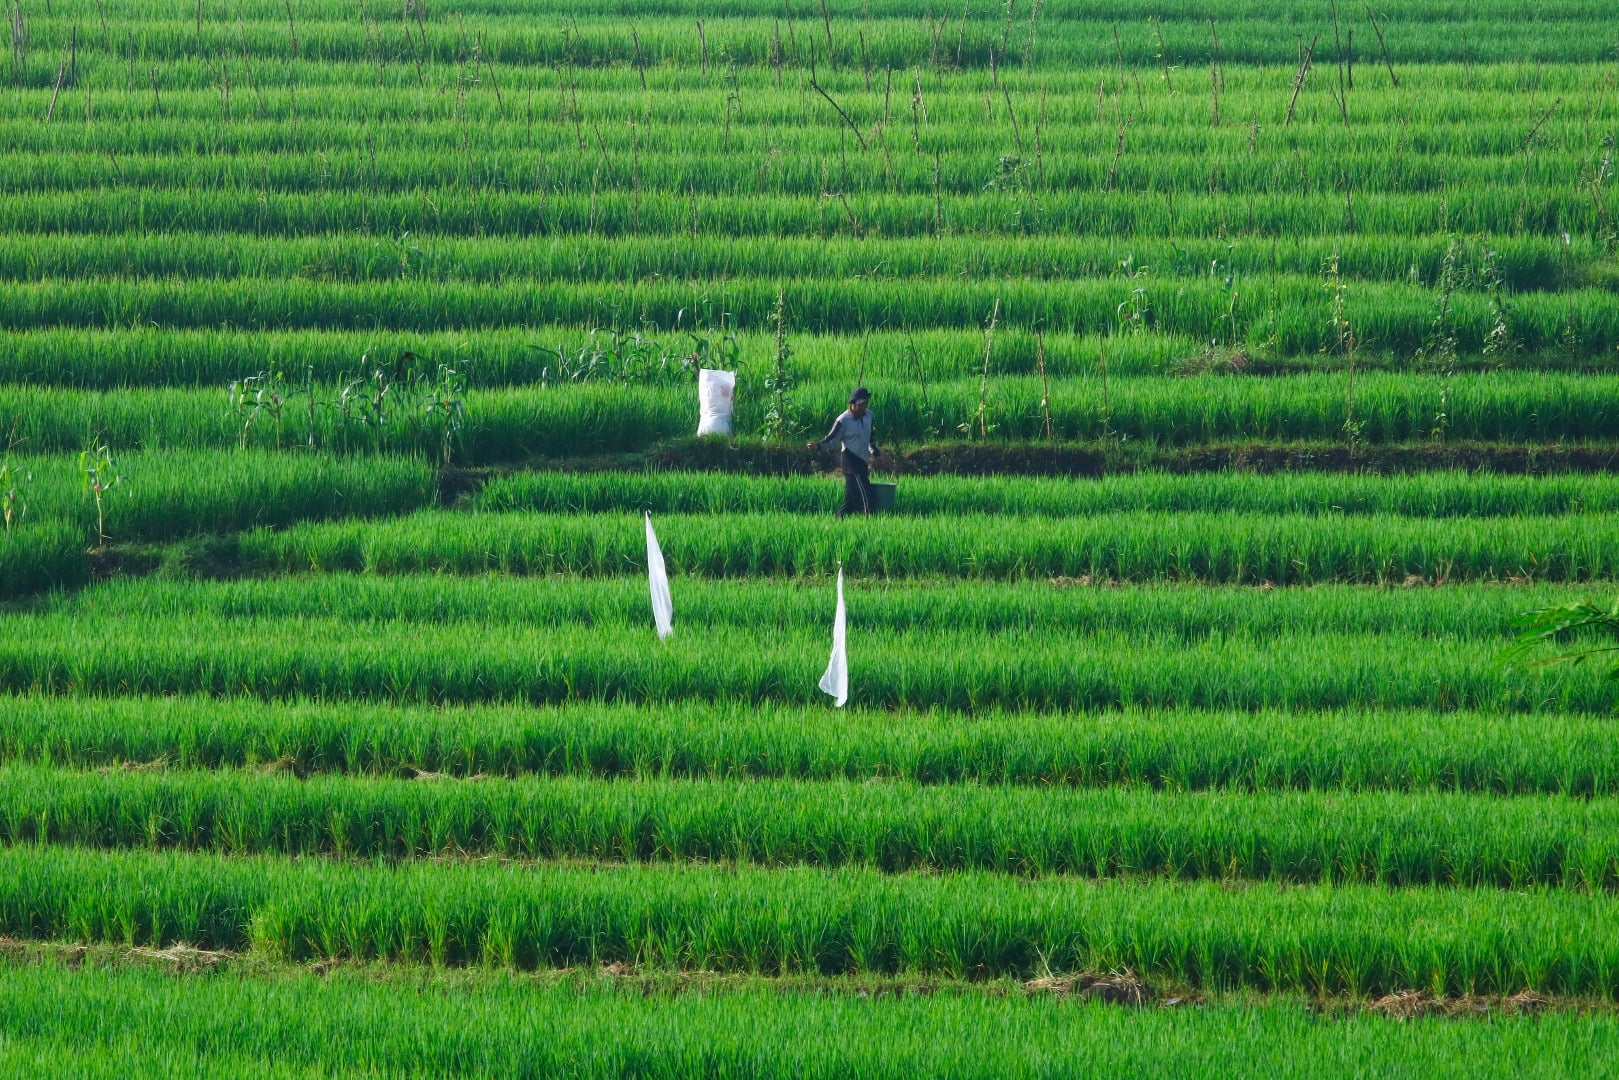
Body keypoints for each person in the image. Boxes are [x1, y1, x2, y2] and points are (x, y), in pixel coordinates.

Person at [807, 387, 882, 516]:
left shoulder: (869, 415)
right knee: (866, 496)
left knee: (850, 502)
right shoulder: (843, 420)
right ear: (853, 405)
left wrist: (876, 454)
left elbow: (870, 439)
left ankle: (837, 521)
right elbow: (831, 440)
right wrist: (818, 446)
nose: (864, 407)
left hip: (862, 462)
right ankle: (870, 522)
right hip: (851, 463)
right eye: (861, 405)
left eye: (865, 403)